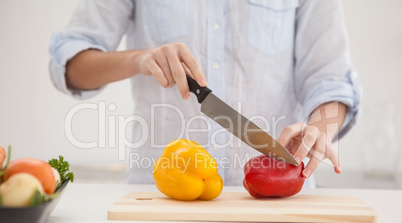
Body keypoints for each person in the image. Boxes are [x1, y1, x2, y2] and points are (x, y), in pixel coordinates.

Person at [49, 0, 362, 186]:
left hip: (279, 208)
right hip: (160, 204)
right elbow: (70, 64)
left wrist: (318, 130)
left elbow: (331, 80)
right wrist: (138, 59)